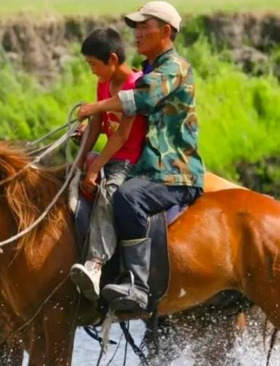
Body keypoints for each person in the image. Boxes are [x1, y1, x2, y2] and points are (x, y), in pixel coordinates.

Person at [77, 1, 205, 312]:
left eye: (144, 26)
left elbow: (141, 99)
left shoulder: (174, 68)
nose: (137, 33)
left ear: (166, 31)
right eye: (135, 27)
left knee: (126, 197)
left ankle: (137, 285)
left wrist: (95, 107)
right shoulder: (149, 69)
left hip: (173, 172)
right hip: (146, 168)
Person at [69, 28, 149, 301]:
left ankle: (96, 263)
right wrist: (80, 160)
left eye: (93, 64)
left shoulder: (135, 85)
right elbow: (97, 126)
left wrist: (94, 168)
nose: (91, 70)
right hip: (110, 155)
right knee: (68, 177)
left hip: (128, 161)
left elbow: (122, 135)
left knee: (108, 194)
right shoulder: (104, 83)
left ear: (112, 59)